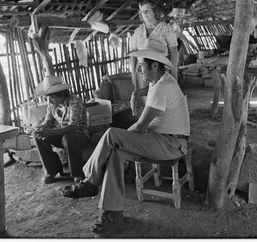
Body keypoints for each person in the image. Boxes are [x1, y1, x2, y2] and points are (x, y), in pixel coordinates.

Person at [62, 39, 190, 233]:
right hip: (161, 140)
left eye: (141, 67)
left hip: (171, 144)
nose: (139, 70)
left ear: (154, 65)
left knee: (112, 134)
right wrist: (137, 93)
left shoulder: (163, 87)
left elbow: (140, 126)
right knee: (116, 154)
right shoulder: (161, 80)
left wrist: (120, 138)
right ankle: (113, 214)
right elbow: (149, 90)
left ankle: (90, 181)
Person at [33, 75, 90, 184]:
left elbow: (74, 126)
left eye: (52, 97)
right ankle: (52, 171)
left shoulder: (75, 101)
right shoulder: (52, 103)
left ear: (62, 94)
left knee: (69, 138)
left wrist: (50, 132)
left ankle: (78, 173)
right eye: (49, 98)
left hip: (79, 135)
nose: (50, 100)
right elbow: (48, 122)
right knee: (39, 137)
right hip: (62, 134)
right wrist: (40, 128)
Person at [129, 1, 179, 114]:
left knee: (161, 98)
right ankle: (148, 123)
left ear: (155, 12)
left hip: (161, 69)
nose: (144, 13)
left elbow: (174, 52)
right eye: (142, 11)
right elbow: (133, 53)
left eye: (147, 10)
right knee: (147, 99)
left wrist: (173, 71)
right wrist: (133, 72)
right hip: (143, 70)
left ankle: (163, 123)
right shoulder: (138, 32)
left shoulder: (166, 29)